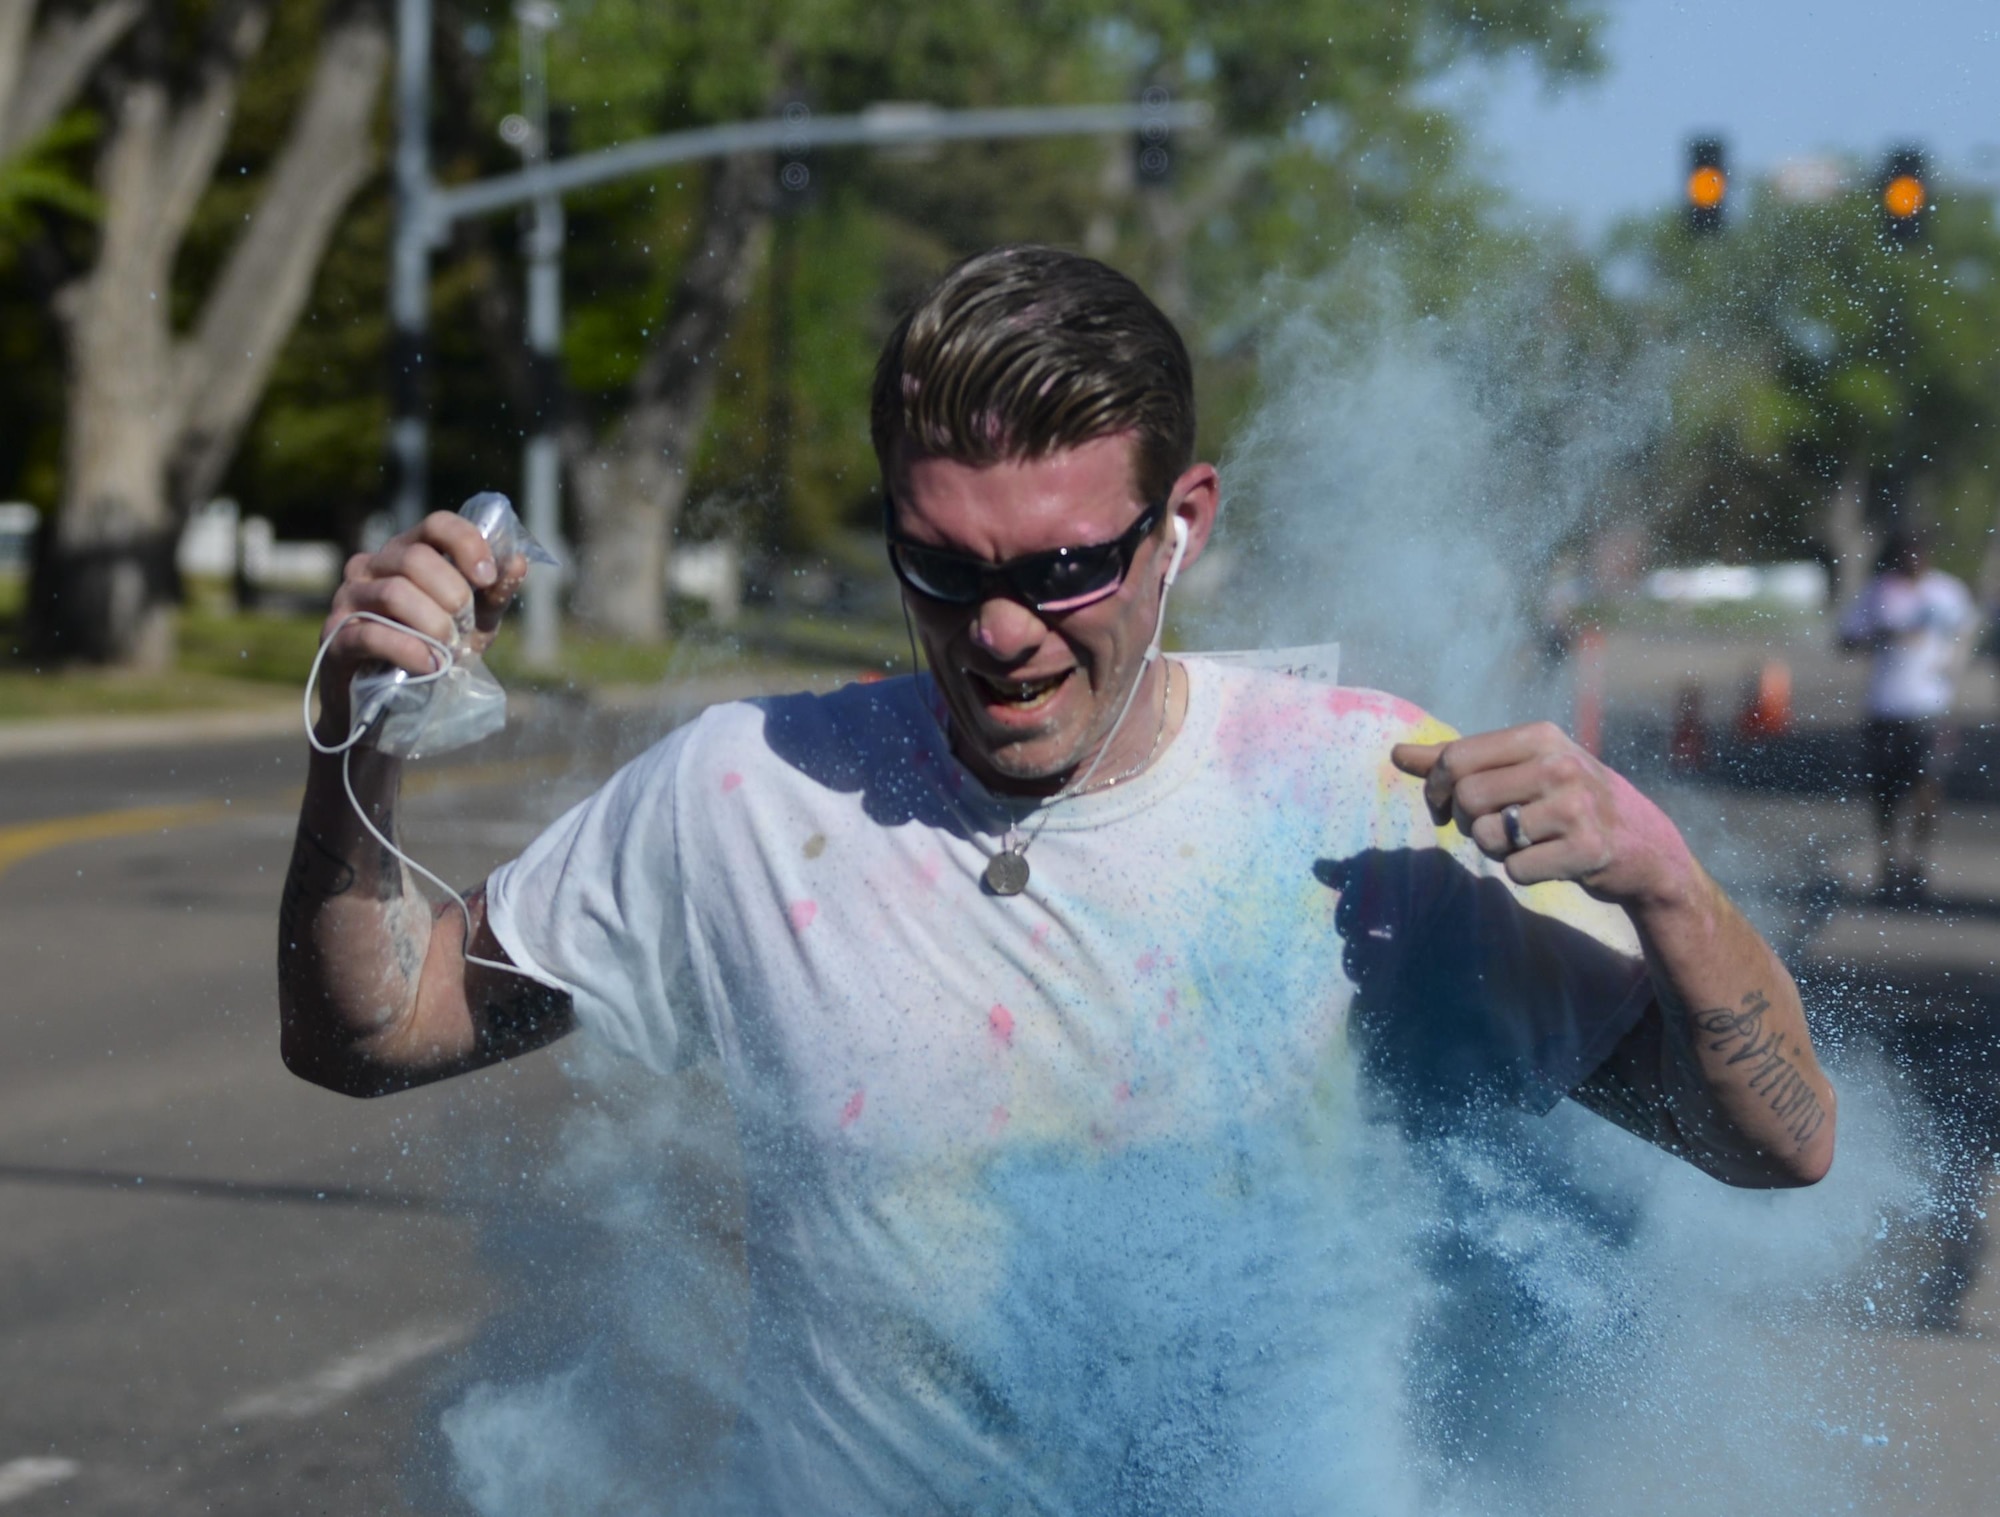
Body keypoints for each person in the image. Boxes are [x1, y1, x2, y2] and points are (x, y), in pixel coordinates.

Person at [279, 246, 1835, 1510]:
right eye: (941, 571)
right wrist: (358, 743)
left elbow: (1777, 1143)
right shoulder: (743, 793)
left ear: (1184, 526)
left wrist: (1669, 890)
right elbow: (374, 1029)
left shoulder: (1363, 798)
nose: (1000, 631)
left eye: (1063, 570)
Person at [1837, 528, 1973, 902]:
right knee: (1884, 790)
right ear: (1896, 558)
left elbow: (1965, 636)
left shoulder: (1948, 592)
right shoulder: (1878, 592)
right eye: (1905, 555)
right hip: (1884, 707)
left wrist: (1954, 675)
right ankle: (1887, 862)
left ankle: (1917, 863)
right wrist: (1880, 635)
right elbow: (1845, 640)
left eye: (1919, 555)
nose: (1913, 562)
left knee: (1928, 787)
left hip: (1930, 709)